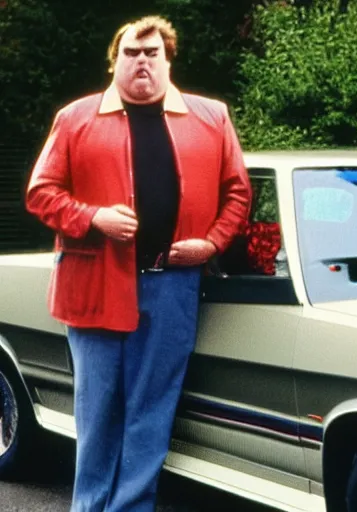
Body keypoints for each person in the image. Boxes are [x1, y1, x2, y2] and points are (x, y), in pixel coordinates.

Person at [26, 15, 251, 512]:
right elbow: (41, 194)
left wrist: (211, 244)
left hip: (173, 287)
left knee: (152, 411)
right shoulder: (76, 118)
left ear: (169, 61)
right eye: (131, 53)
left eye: (152, 53)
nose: (142, 61)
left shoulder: (211, 117)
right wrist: (94, 217)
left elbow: (237, 192)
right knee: (97, 409)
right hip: (95, 284)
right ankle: (89, 506)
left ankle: (131, 507)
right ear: (115, 62)